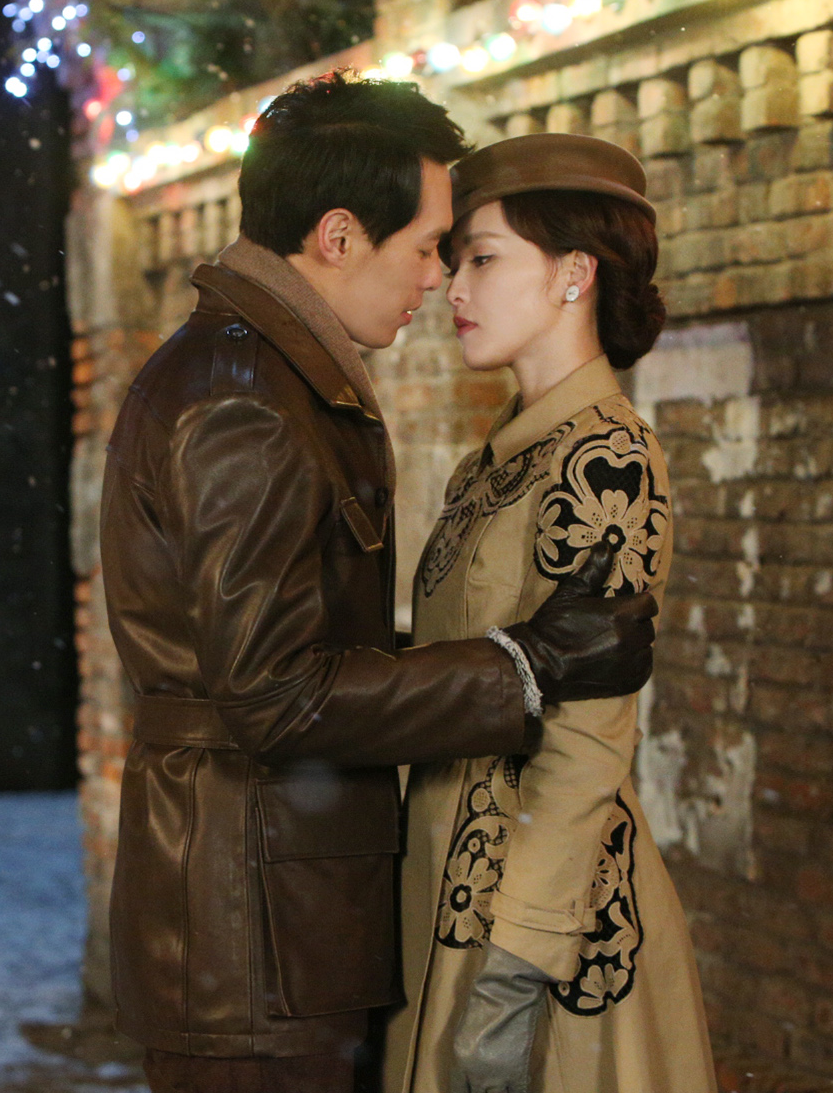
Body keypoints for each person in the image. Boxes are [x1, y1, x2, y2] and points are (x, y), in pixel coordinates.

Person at [97, 73, 663, 1093]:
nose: (437, 279)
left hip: (280, 913)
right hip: (258, 932)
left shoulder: (265, 378)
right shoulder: (248, 399)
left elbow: (290, 658)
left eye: (470, 254)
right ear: (338, 236)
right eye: (429, 247)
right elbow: (276, 692)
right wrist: (521, 666)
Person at [381, 133, 718, 1093]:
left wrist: (515, 969)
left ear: (575, 272)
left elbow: (586, 743)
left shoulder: (607, 456)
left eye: (483, 260)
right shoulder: (497, 457)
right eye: (454, 263)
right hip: (444, 889)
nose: (454, 289)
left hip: (532, 921)